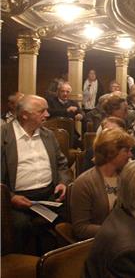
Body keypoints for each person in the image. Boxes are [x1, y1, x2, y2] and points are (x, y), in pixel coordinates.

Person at [1, 95, 71, 253]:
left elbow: (62, 164)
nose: (47, 114)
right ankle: (21, 266)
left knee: (73, 211)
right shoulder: (3, 135)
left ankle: (57, 261)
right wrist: (10, 197)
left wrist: (62, 182)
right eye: (42, 111)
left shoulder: (48, 135)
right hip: (15, 200)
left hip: (49, 196)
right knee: (20, 225)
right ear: (25, 114)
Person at [71, 128, 133, 240]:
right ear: (111, 153)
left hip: (126, 238)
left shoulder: (127, 175)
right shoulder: (84, 183)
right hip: (101, 243)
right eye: (126, 151)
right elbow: (81, 229)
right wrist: (117, 230)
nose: (130, 155)